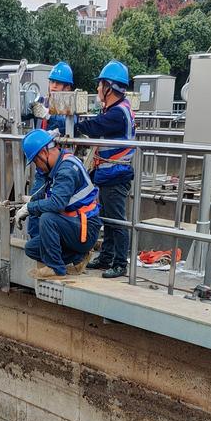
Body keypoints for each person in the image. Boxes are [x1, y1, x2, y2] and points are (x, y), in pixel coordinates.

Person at [72, 60, 135, 279]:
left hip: (116, 174)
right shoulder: (116, 109)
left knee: (116, 220)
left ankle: (120, 263)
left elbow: (94, 126)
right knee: (107, 218)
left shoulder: (118, 113)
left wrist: (71, 123)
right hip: (109, 173)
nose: (97, 89)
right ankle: (106, 257)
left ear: (109, 87)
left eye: (100, 85)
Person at [14, 129, 100, 281]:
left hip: (85, 229)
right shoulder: (58, 167)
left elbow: (57, 203)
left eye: (36, 161)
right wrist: (28, 206)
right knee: (32, 248)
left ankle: (56, 268)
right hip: (74, 227)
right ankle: (79, 256)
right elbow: (44, 194)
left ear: (43, 153)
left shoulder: (66, 170)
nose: (37, 166)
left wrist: (30, 208)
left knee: (48, 218)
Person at [27, 62, 74, 133]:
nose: (54, 85)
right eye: (52, 81)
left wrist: (48, 116)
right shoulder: (41, 101)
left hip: (60, 139)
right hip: (40, 139)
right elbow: (22, 116)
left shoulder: (71, 106)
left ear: (67, 88)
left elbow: (71, 125)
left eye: (58, 83)